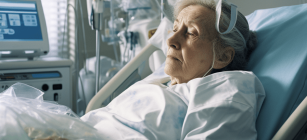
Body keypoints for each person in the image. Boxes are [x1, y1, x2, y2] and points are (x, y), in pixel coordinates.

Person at [81, 0, 265, 139]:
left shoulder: (228, 89)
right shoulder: (159, 82)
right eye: (175, 28)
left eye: (191, 33)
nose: (170, 41)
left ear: (223, 57)